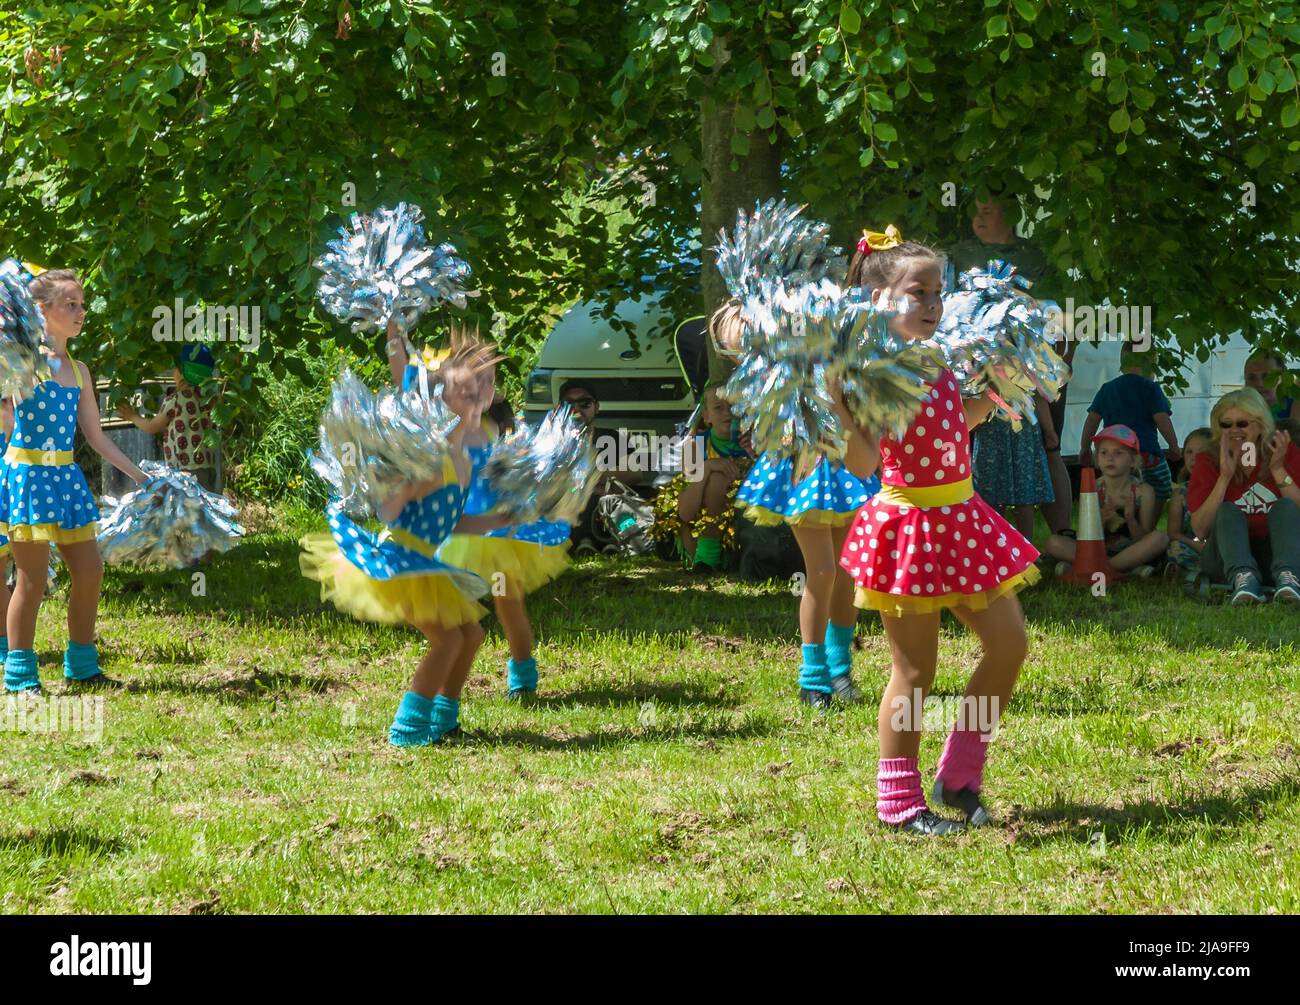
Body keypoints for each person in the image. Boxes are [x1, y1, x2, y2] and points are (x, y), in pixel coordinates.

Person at [833, 230, 1037, 836]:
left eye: (938, 293)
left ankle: (960, 772)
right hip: (909, 530)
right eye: (918, 292)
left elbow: (959, 420)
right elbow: (863, 465)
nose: (933, 304)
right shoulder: (871, 376)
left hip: (963, 520)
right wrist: (841, 406)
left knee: (1009, 646)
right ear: (878, 301)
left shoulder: (939, 359)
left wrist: (1004, 384)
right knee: (916, 672)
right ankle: (897, 801)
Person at [299, 327, 509, 745]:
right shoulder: (432, 460)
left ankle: (444, 720)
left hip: (426, 560)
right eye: (467, 390)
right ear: (441, 401)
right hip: (402, 561)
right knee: (448, 641)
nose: (478, 395)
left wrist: (492, 523)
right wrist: (392, 487)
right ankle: (408, 728)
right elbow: (391, 510)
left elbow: (451, 522)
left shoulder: (463, 458)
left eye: (484, 387)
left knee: (472, 635)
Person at [733, 254, 882, 708]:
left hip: (849, 466)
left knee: (846, 572)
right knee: (819, 571)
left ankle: (839, 670)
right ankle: (812, 676)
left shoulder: (863, 345)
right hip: (804, 466)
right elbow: (733, 329)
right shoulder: (789, 344)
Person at [1, 268, 148, 693]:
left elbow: (96, 436)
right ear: (41, 311)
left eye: (82, 305)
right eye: (71, 304)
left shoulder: (80, 370)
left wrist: (138, 475)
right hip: (27, 476)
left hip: (65, 477)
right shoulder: (22, 362)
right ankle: (20, 675)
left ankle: (81, 665)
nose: (81, 312)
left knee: (90, 570)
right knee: (30, 579)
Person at [437, 360, 573, 701]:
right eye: (472, 383)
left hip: (499, 536)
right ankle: (446, 684)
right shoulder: (449, 429)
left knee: (507, 605)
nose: (481, 390)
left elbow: (521, 472)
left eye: (488, 382)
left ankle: (523, 676)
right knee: (454, 607)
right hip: (462, 532)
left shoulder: (500, 428)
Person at [950, 192, 1071, 534]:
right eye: (977, 207)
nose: (981, 212)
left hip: (1035, 368)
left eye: (991, 205)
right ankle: (985, 536)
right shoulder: (960, 255)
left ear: (1013, 211)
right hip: (975, 369)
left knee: (1047, 446)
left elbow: (1061, 312)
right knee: (978, 455)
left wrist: (1062, 358)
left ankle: (1061, 534)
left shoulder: (1036, 255)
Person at [1185, 388, 1300, 604]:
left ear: (1260, 425)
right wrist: (1224, 478)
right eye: (1226, 424)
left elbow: (1296, 514)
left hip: (1279, 552)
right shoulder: (1208, 458)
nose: (1233, 430)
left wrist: (1278, 470)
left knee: (1284, 506)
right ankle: (1244, 578)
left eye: (1242, 423)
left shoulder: (1284, 451)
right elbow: (1200, 530)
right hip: (1226, 557)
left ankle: (1289, 578)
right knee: (1227, 510)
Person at [652, 384, 752, 575]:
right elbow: (686, 512)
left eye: (733, 407)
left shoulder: (756, 442)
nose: (727, 413)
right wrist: (706, 468)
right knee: (715, 478)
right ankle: (706, 558)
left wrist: (753, 456)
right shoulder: (694, 447)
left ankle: (735, 557)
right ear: (706, 417)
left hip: (742, 525)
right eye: (718, 408)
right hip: (699, 529)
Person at [1042, 425, 1168, 575]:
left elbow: (1143, 538)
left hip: (1131, 550)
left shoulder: (1144, 492)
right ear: (1098, 460)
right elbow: (1086, 537)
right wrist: (1100, 520)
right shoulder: (1094, 488)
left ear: (1133, 461)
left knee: (1159, 538)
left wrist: (1131, 519)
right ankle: (1121, 570)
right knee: (1053, 542)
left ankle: (1090, 567)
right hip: (1098, 548)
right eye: (1104, 453)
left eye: (1118, 453)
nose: (1110, 458)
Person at [1079, 340, 1179, 503]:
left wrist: (1084, 447)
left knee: (1118, 492)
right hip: (1147, 454)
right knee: (1162, 488)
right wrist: (1173, 446)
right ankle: (1148, 523)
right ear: (1151, 363)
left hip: (1117, 455)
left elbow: (1092, 419)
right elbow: (1162, 419)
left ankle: (1122, 518)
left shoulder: (1108, 388)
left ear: (1122, 363)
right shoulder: (1150, 388)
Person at [117, 344, 219, 491]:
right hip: (208, 465)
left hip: (185, 470)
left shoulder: (176, 399)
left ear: (183, 373)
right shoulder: (210, 398)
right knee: (206, 506)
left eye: (176, 369)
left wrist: (132, 416)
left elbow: (152, 426)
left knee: (188, 510)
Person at [1166, 428, 1212, 579]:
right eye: (1189, 452)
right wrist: (1196, 545)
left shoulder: (1224, 487)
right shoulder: (1180, 493)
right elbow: (1174, 533)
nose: (1194, 458)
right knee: (1175, 548)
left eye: (1200, 452)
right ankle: (1199, 572)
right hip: (1193, 546)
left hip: (1222, 546)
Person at [1243, 350, 1296, 430]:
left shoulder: (1295, 406)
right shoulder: (1236, 410)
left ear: (1282, 376)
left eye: (1266, 377)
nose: (1259, 384)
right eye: (1251, 378)